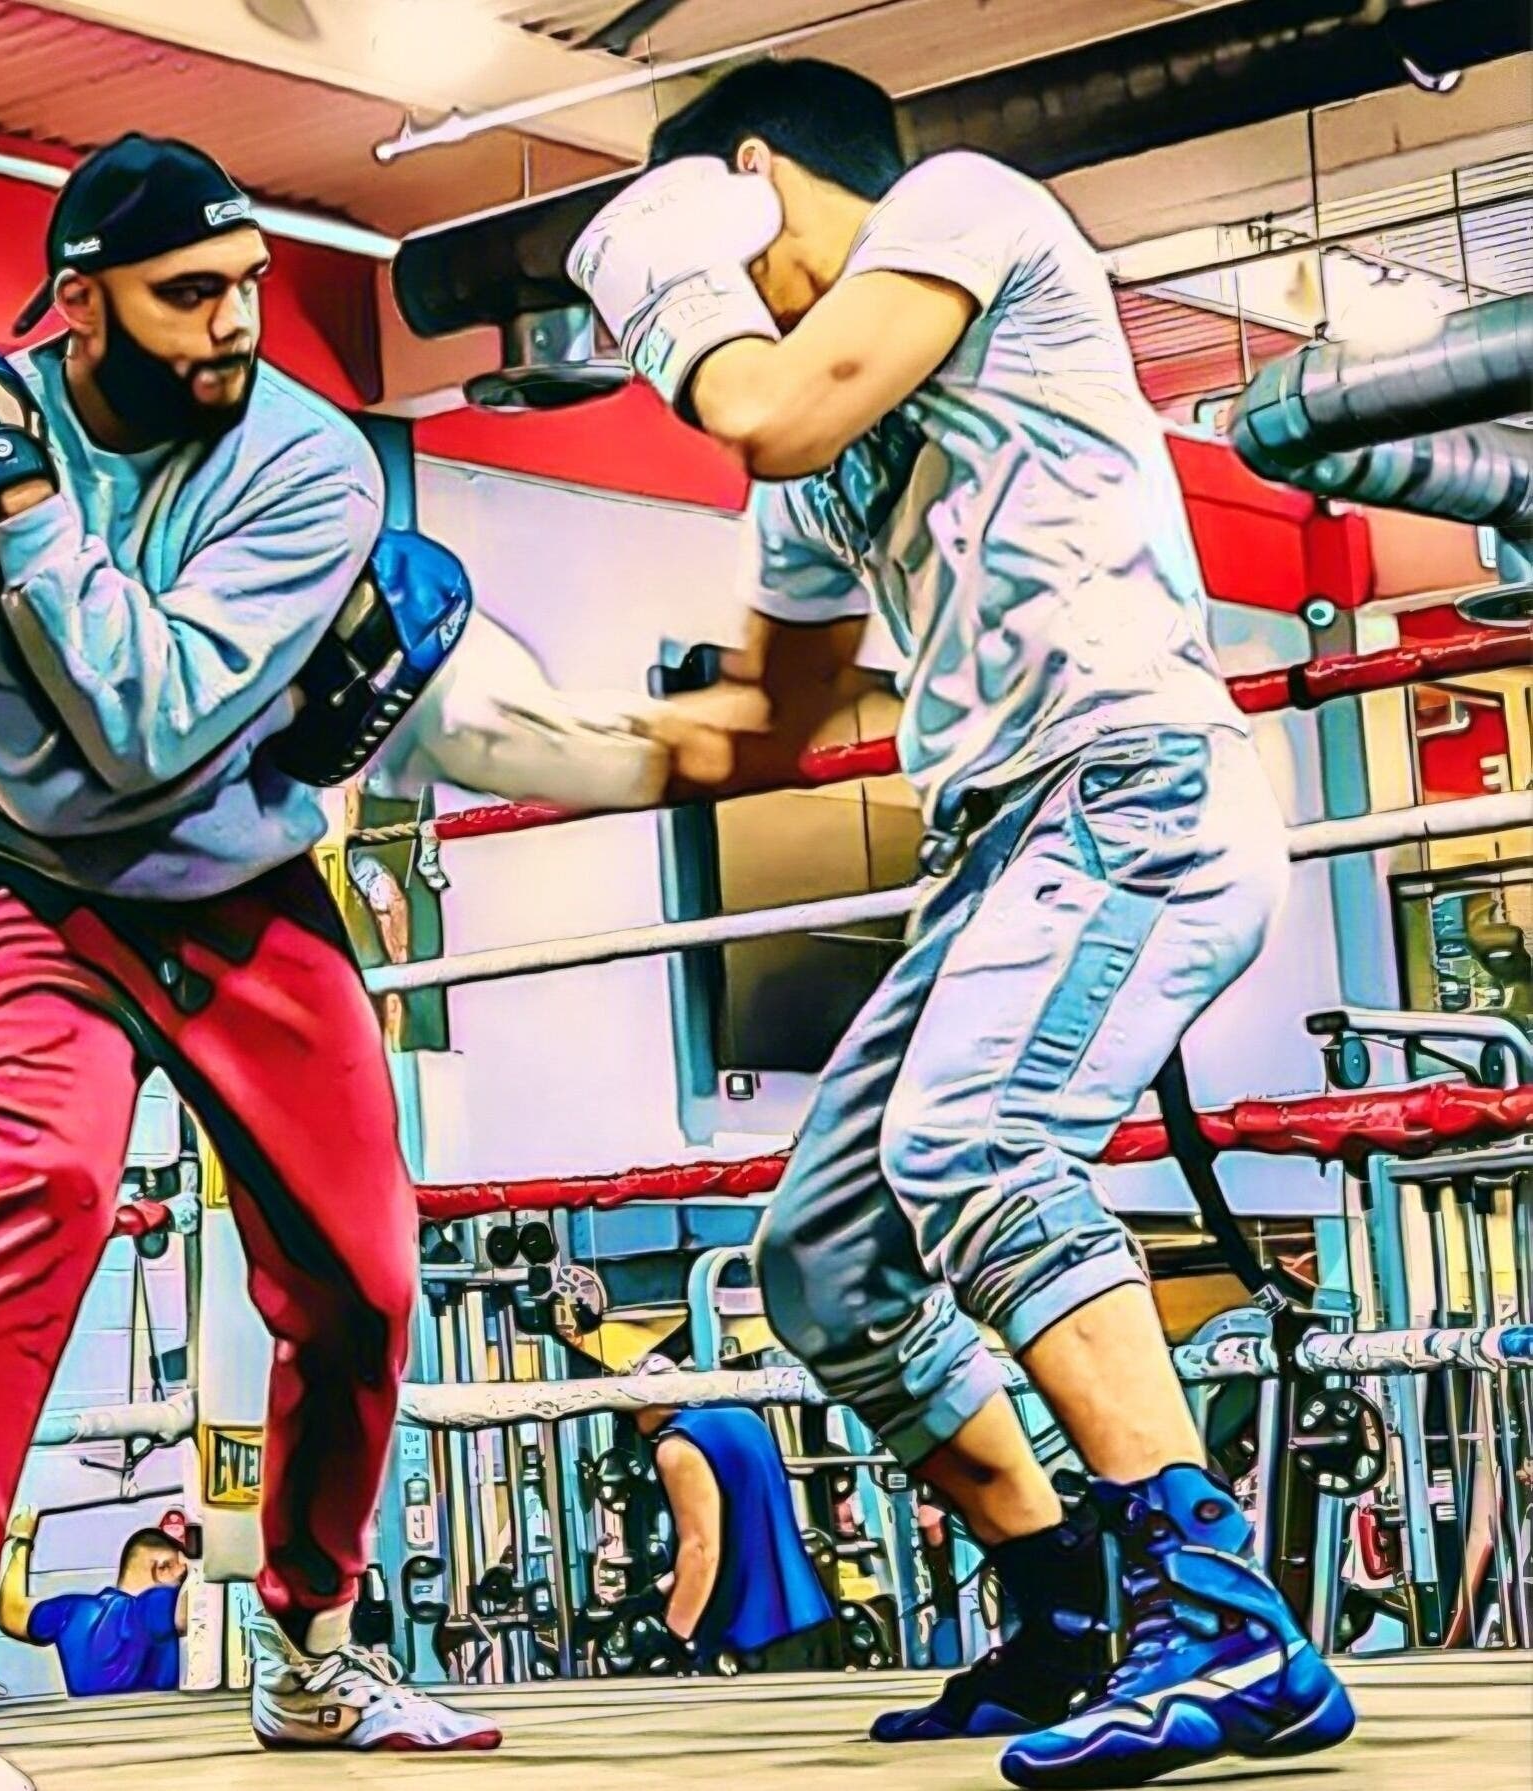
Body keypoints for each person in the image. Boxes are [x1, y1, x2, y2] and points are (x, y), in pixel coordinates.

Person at [565, 59, 1351, 1788]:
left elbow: (761, 402)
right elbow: (762, 730)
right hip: (993, 849)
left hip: (1130, 789)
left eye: (711, 237)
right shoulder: (808, 461)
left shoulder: (959, 215)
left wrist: (679, 295)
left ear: (748, 177)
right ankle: (1064, 1597)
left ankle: (1222, 1617)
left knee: (979, 1141)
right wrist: (453, 725)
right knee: (822, 1262)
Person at [0, 133, 511, 1791]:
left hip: (243, 899)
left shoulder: (312, 465)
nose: (231, 324)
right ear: (77, 303)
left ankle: (308, 1655)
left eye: (247, 288)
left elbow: (142, 734)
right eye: (188, 291)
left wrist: (39, 545)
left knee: (358, 1280)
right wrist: (255, 732)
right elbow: (77, 775)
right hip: (21, 886)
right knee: (49, 1189)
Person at [634, 1398, 843, 1675]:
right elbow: (745, 1538)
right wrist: (647, 1598)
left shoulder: (678, 1446)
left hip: (743, 1640)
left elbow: (701, 1551)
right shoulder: (746, 1419)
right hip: (808, 1618)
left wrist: (673, 1636)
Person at [0, 1510, 189, 1695]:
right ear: (162, 1568)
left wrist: (21, 1539)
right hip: (154, 1728)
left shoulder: (71, 1612)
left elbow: (12, 1614)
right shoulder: (159, 1604)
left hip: (89, 1727)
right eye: (183, 1575)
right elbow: (200, 1603)